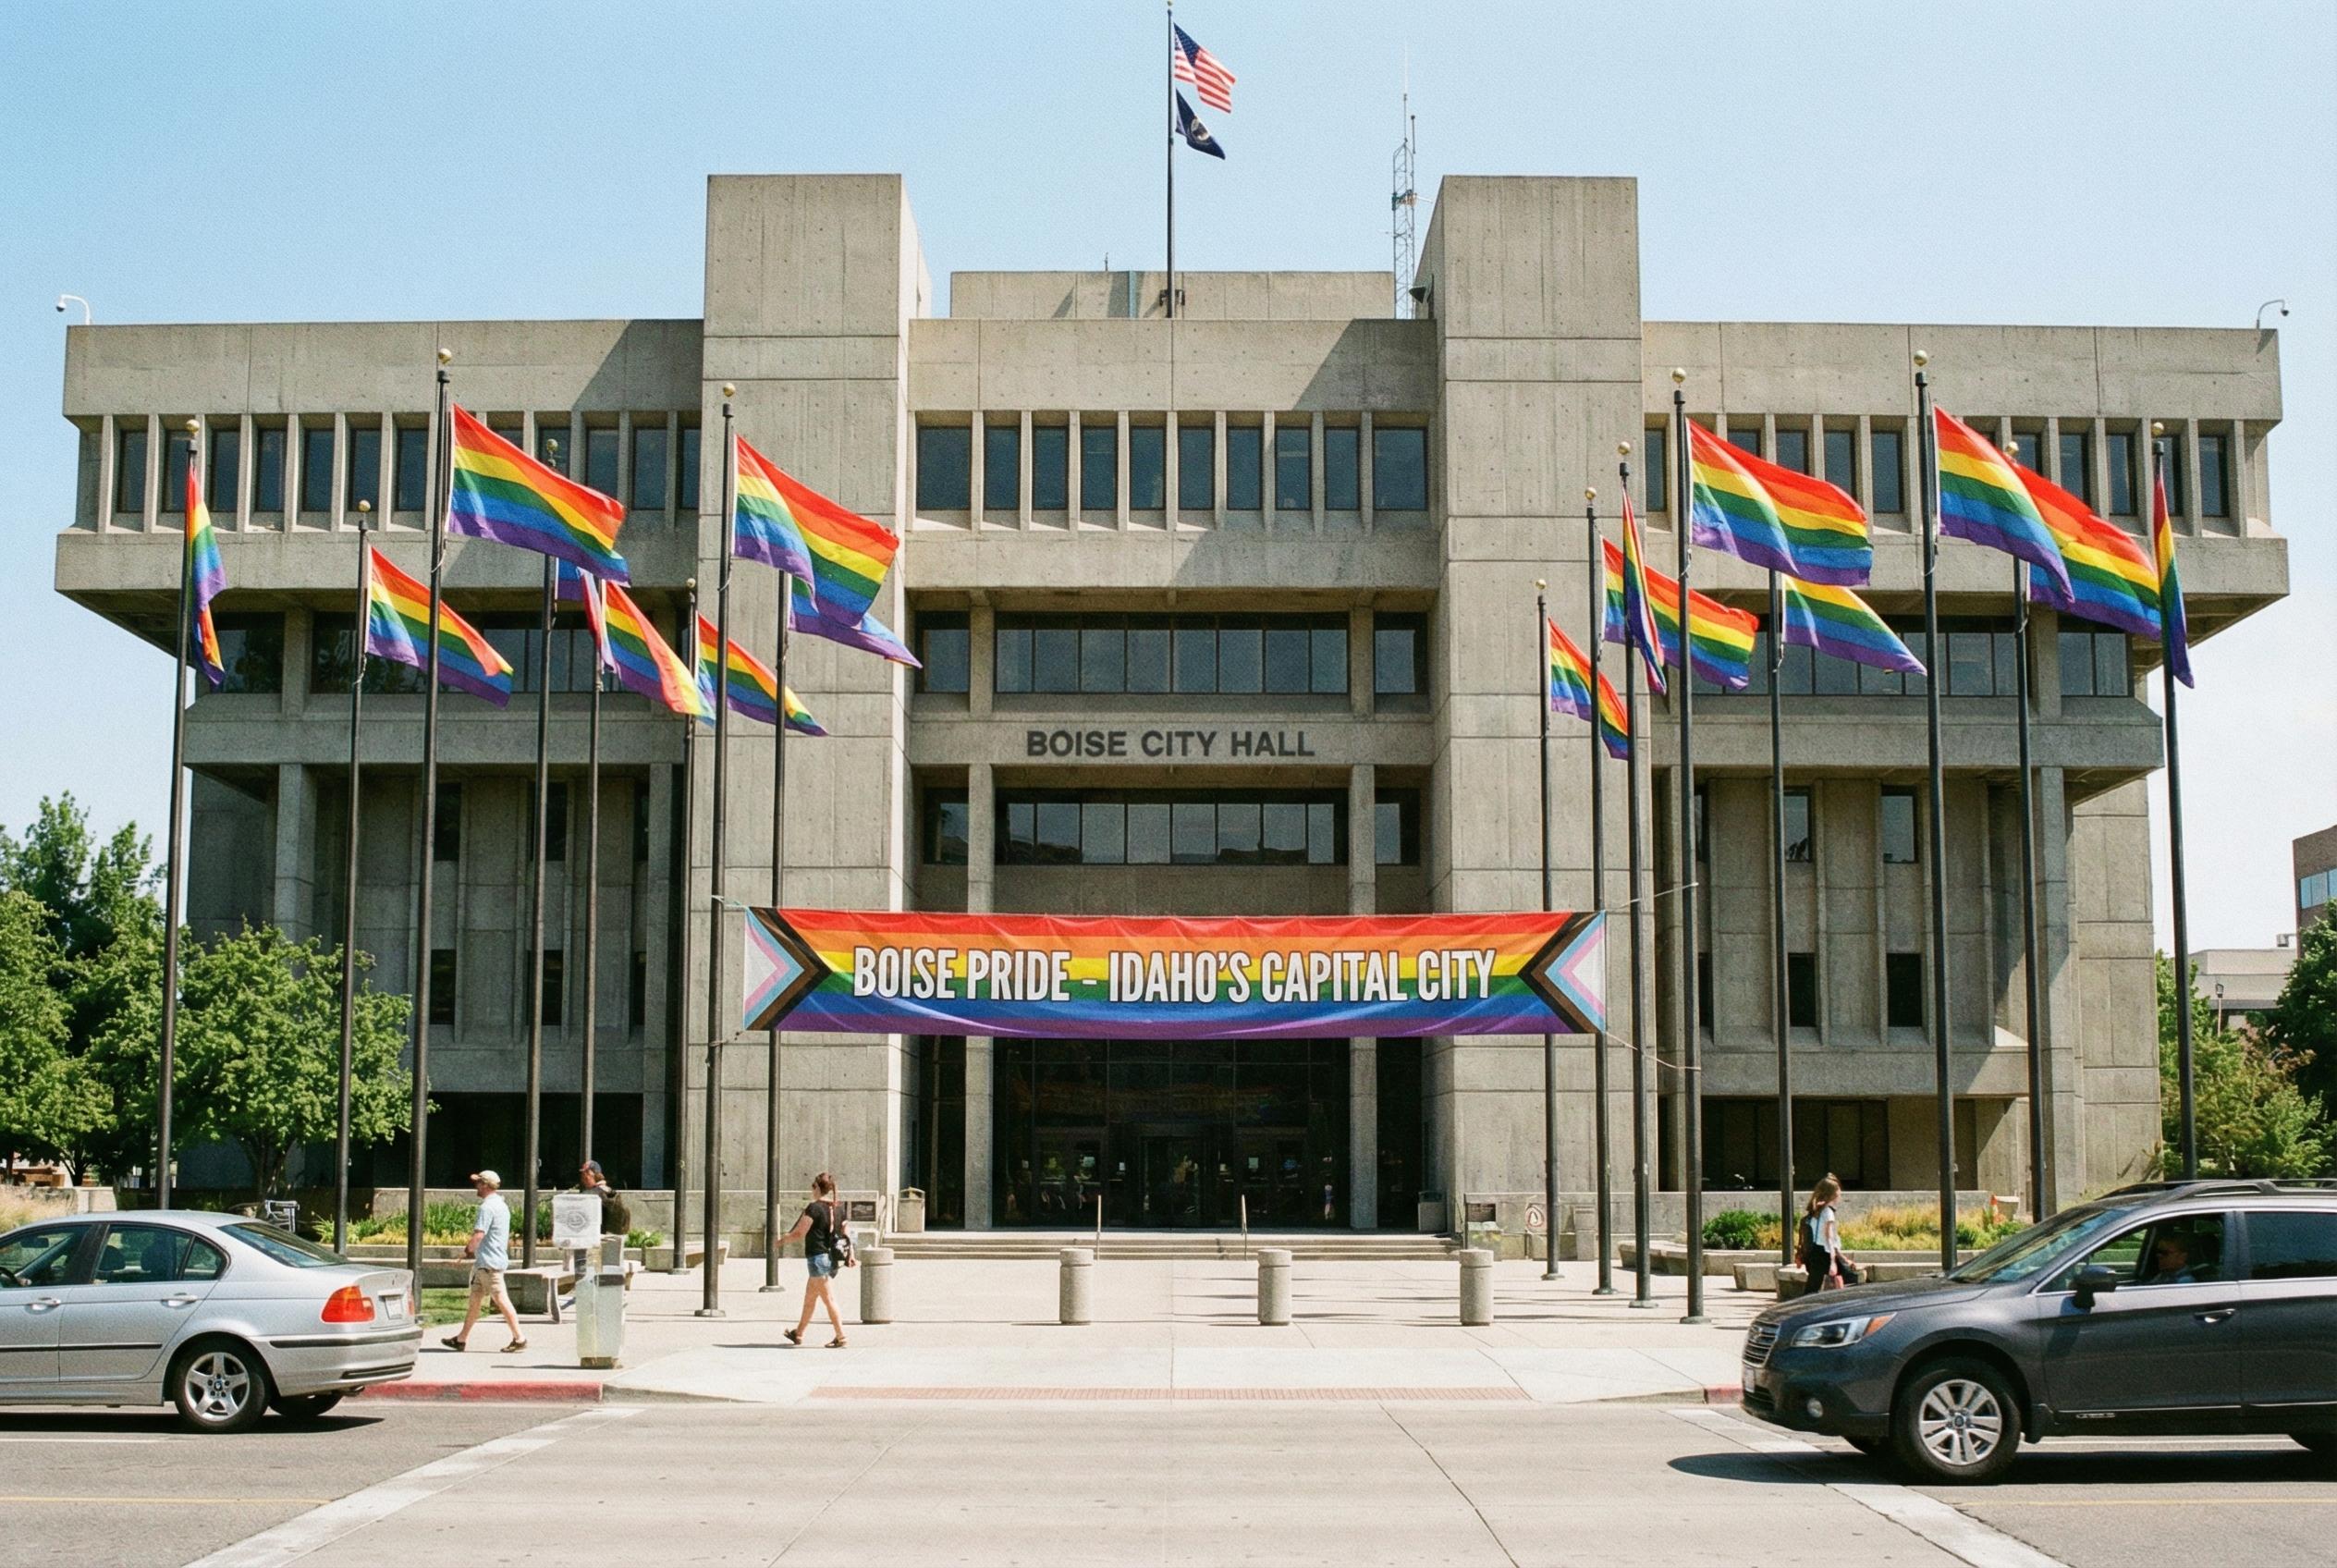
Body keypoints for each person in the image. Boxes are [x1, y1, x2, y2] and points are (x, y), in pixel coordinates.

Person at [441, 1170, 526, 1353]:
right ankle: (461, 1339)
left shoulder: (486, 1207)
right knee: (475, 1300)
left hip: (489, 1263)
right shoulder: (501, 1205)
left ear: (486, 1185)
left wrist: (467, 1251)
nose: (476, 1186)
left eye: (478, 1183)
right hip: (487, 1262)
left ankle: (520, 1338)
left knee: (501, 1299)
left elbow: (479, 1234)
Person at [776, 1171, 850, 1348]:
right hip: (832, 1259)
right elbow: (846, 1235)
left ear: (817, 1187)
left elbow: (800, 1232)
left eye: (812, 1186)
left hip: (818, 1258)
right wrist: (850, 1255)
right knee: (810, 1298)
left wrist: (781, 1241)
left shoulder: (814, 1208)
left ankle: (841, 1336)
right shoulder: (839, 1207)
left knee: (828, 1299)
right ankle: (799, 1333)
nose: (812, 1190)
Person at [1798, 1175, 1857, 1294]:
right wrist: (1833, 1262)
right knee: (1851, 1279)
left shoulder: (1815, 1212)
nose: (1840, 1193)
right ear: (1833, 1194)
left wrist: (1843, 1259)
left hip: (1814, 1254)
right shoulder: (1828, 1213)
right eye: (1838, 1190)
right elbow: (1829, 1239)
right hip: (1824, 1254)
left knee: (1812, 1288)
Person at [575, 1159, 630, 1239]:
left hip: (597, 1239)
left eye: (585, 1175)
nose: (582, 1179)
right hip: (615, 1238)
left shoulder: (590, 1195)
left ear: (592, 1174)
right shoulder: (612, 1192)